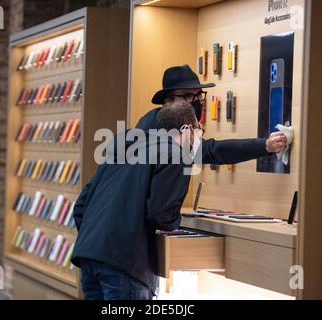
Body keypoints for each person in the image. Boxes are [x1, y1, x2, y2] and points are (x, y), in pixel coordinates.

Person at [71, 102, 201, 300]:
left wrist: (102, 241)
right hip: (125, 263)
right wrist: (175, 223)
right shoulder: (177, 153)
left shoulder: (126, 149)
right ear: (188, 129)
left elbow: (81, 206)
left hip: (89, 254)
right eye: (199, 131)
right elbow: (160, 214)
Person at [136, 65, 287, 164]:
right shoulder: (155, 128)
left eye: (199, 95)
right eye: (188, 96)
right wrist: (265, 146)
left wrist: (265, 145)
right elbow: (211, 151)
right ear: (168, 101)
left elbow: (213, 150)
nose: (196, 102)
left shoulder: (165, 124)